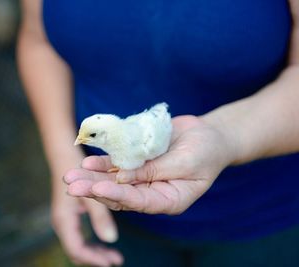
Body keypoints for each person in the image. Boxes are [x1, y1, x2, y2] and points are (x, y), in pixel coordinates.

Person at [17, 0, 299, 266]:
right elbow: (38, 39)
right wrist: (63, 154)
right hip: (117, 206)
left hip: (264, 218)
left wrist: (225, 135)